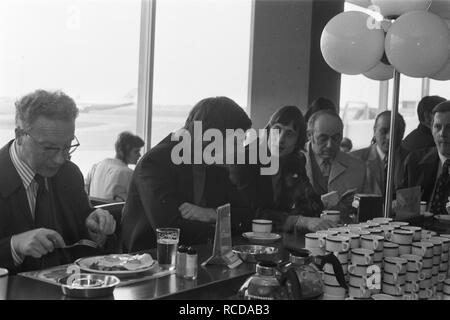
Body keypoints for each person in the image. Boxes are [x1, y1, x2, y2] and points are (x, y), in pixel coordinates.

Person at [0, 90, 116, 273]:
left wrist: (93, 229)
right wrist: (14, 246)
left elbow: (84, 241)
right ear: (20, 135)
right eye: (49, 148)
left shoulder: (69, 174)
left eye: (68, 146)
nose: (60, 159)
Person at [121, 97, 254, 252]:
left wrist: (211, 214)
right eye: (235, 142)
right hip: (150, 262)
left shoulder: (216, 165)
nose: (239, 150)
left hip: (201, 258)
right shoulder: (156, 162)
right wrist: (222, 226)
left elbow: (247, 216)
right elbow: (169, 229)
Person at [230, 106, 336, 233]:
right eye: (277, 129)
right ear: (268, 131)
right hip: (244, 237)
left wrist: (323, 204)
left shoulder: (296, 160)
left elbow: (311, 204)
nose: (280, 139)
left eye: (289, 134)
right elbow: (252, 213)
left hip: (277, 237)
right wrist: (299, 220)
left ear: (298, 140)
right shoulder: (246, 159)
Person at [304, 110, 366, 222]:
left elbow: (367, 209)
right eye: (323, 138)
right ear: (310, 135)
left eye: (336, 138)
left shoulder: (358, 167)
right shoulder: (292, 161)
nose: (330, 145)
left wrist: (351, 207)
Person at [403, 101, 450, 216]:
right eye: (437, 127)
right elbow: (404, 210)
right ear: (431, 129)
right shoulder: (414, 161)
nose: (442, 133)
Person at [352, 111, 408, 198]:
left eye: (396, 132)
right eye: (384, 131)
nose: (390, 137)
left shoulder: (412, 160)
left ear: (403, 132)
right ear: (374, 131)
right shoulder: (355, 159)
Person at [85, 131, 144, 202]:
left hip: (97, 212)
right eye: (136, 151)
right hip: (116, 212)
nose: (139, 155)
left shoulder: (96, 167)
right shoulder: (128, 173)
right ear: (122, 151)